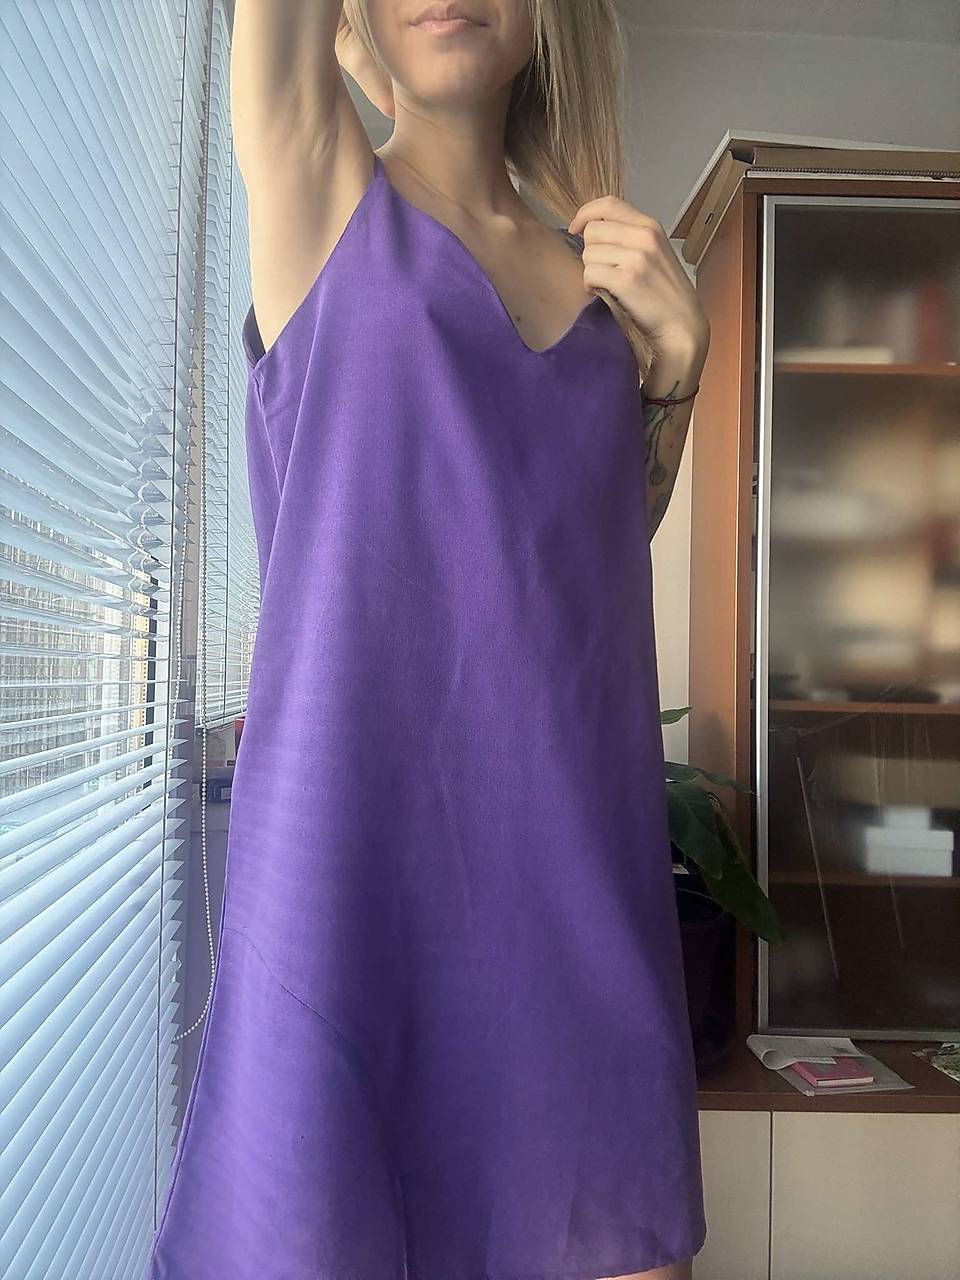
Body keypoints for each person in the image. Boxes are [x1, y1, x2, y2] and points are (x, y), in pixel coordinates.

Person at [145, 3, 710, 1279]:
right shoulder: (320, 191)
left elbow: (579, 566)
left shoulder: (605, 288)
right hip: (351, 901)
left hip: (580, 923)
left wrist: (676, 363)